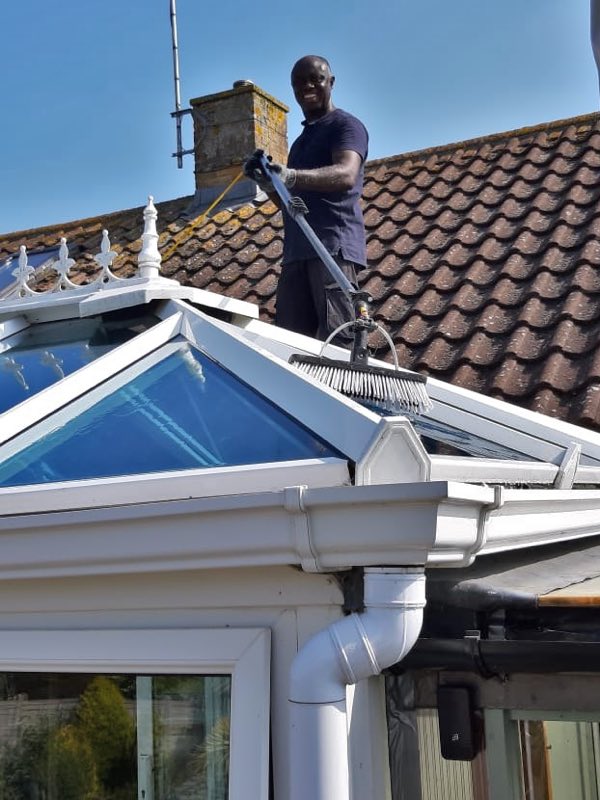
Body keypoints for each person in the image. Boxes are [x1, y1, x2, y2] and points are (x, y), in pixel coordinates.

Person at [244, 55, 369, 345]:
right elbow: (292, 205)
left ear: (332, 83)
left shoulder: (346, 126)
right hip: (297, 254)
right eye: (299, 83)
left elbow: (347, 174)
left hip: (331, 247)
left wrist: (291, 176)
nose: (308, 86)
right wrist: (268, 183)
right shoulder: (301, 143)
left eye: (316, 79)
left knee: (339, 343)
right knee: (290, 345)